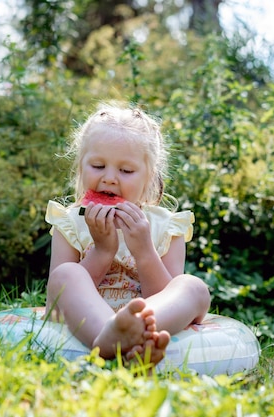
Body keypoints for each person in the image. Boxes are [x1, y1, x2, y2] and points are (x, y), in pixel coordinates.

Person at [45, 101, 211, 365]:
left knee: (194, 287)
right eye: (98, 166)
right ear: (80, 167)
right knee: (66, 274)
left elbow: (165, 294)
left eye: (126, 171)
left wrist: (144, 252)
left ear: (149, 176)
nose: (110, 178)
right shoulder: (69, 222)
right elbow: (56, 297)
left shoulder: (166, 227)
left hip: (149, 312)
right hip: (89, 319)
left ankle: (132, 334)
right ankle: (109, 336)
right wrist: (102, 251)